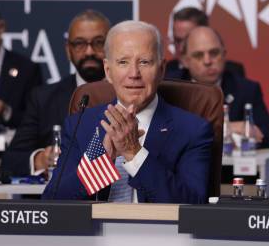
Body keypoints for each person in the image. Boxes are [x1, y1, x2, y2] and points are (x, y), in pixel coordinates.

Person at [43, 21, 213, 204]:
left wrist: (134, 153)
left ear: (161, 69)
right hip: (94, 231)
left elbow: (192, 205)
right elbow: (52, 202)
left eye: (144, 62)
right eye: (123, 62)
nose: (134, 73)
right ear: (108, 71)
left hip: (158, 231)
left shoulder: (193, 130)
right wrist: (101, 162)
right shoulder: (81, 124)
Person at [0, 10, 111, 177]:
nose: (89, 51)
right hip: (62, 200)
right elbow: (11, 159)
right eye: (80, 43)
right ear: (68, 50)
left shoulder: (131, 93)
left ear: (112, 47)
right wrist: (40, 159)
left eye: (98, 42)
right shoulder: (44, 98)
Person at [181, 26, 269, 150]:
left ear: (224, 55)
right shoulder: (170, 89)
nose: (207, 61)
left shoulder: (246, 89)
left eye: (214, 53)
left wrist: (250, 133)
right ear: (185, 61)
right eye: (198, 55)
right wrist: (226, 128)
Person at [165, 7, 245, 79]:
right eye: (178, 40)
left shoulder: (233, 73)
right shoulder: (164, 73)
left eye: (188, 39)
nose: (182, 47)